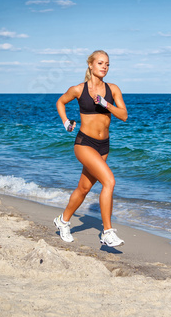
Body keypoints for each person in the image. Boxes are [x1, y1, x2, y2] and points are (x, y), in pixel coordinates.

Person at [53, 50, 128, 247]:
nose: (104, 67)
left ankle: (63, 221)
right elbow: (60, 102)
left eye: (107, 64)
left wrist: (106, 104)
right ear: (91, 65)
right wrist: (66, 121)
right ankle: (107, 232)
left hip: (103, 146)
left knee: (84, 188)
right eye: (101, 63)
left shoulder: (113, 89)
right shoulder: (79, 89)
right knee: (109, 181)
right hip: (84, 143)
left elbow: (124, 115)